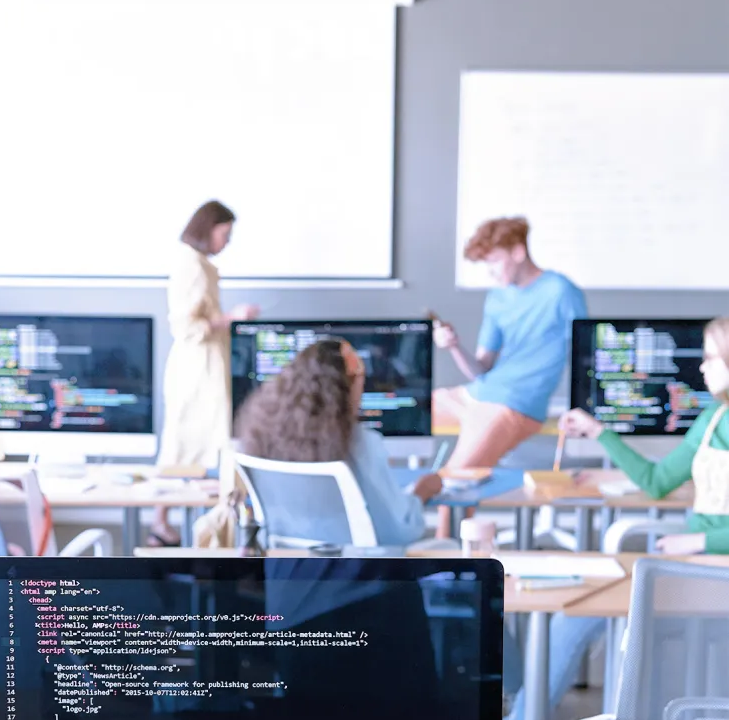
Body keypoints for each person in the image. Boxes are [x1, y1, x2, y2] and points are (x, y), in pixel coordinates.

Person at [501, 316, 729, 720]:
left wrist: (702, 542)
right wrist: (600, 433)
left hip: (708, 566)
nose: (701, 368)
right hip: (690, 566)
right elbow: (658, 480)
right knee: (578, 604)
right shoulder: (712, 416)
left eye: (710, 358)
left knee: (583, 611)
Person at [234, 338, 442, 547]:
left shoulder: (263, 435)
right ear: (347, 386)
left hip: (288, 570)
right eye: (359, 370)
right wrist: (420, 493)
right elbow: (399, 533)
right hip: (357, 572)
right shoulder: (359, 443)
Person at [433, 216, 586, 469]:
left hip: (514, 404)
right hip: (476, 393)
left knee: (456, 479)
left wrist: (582, 412)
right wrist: (453, 346)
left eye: (494, 261)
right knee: (402, 408)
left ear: (517, 252)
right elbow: (480, 369)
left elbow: (584, 353)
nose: (490, 271)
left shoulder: (560, 291)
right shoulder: (497, 297)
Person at [151, 200, 259, 545]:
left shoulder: (199, 264)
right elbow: (185, 326)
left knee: (201, 442)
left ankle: (176, 520)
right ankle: (161, 521)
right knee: (183, 443)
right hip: (195, 371)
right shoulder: (191, 265)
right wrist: (232, 317)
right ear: (207, 229)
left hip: (204, 368)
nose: (226, 242)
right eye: (224, 234)